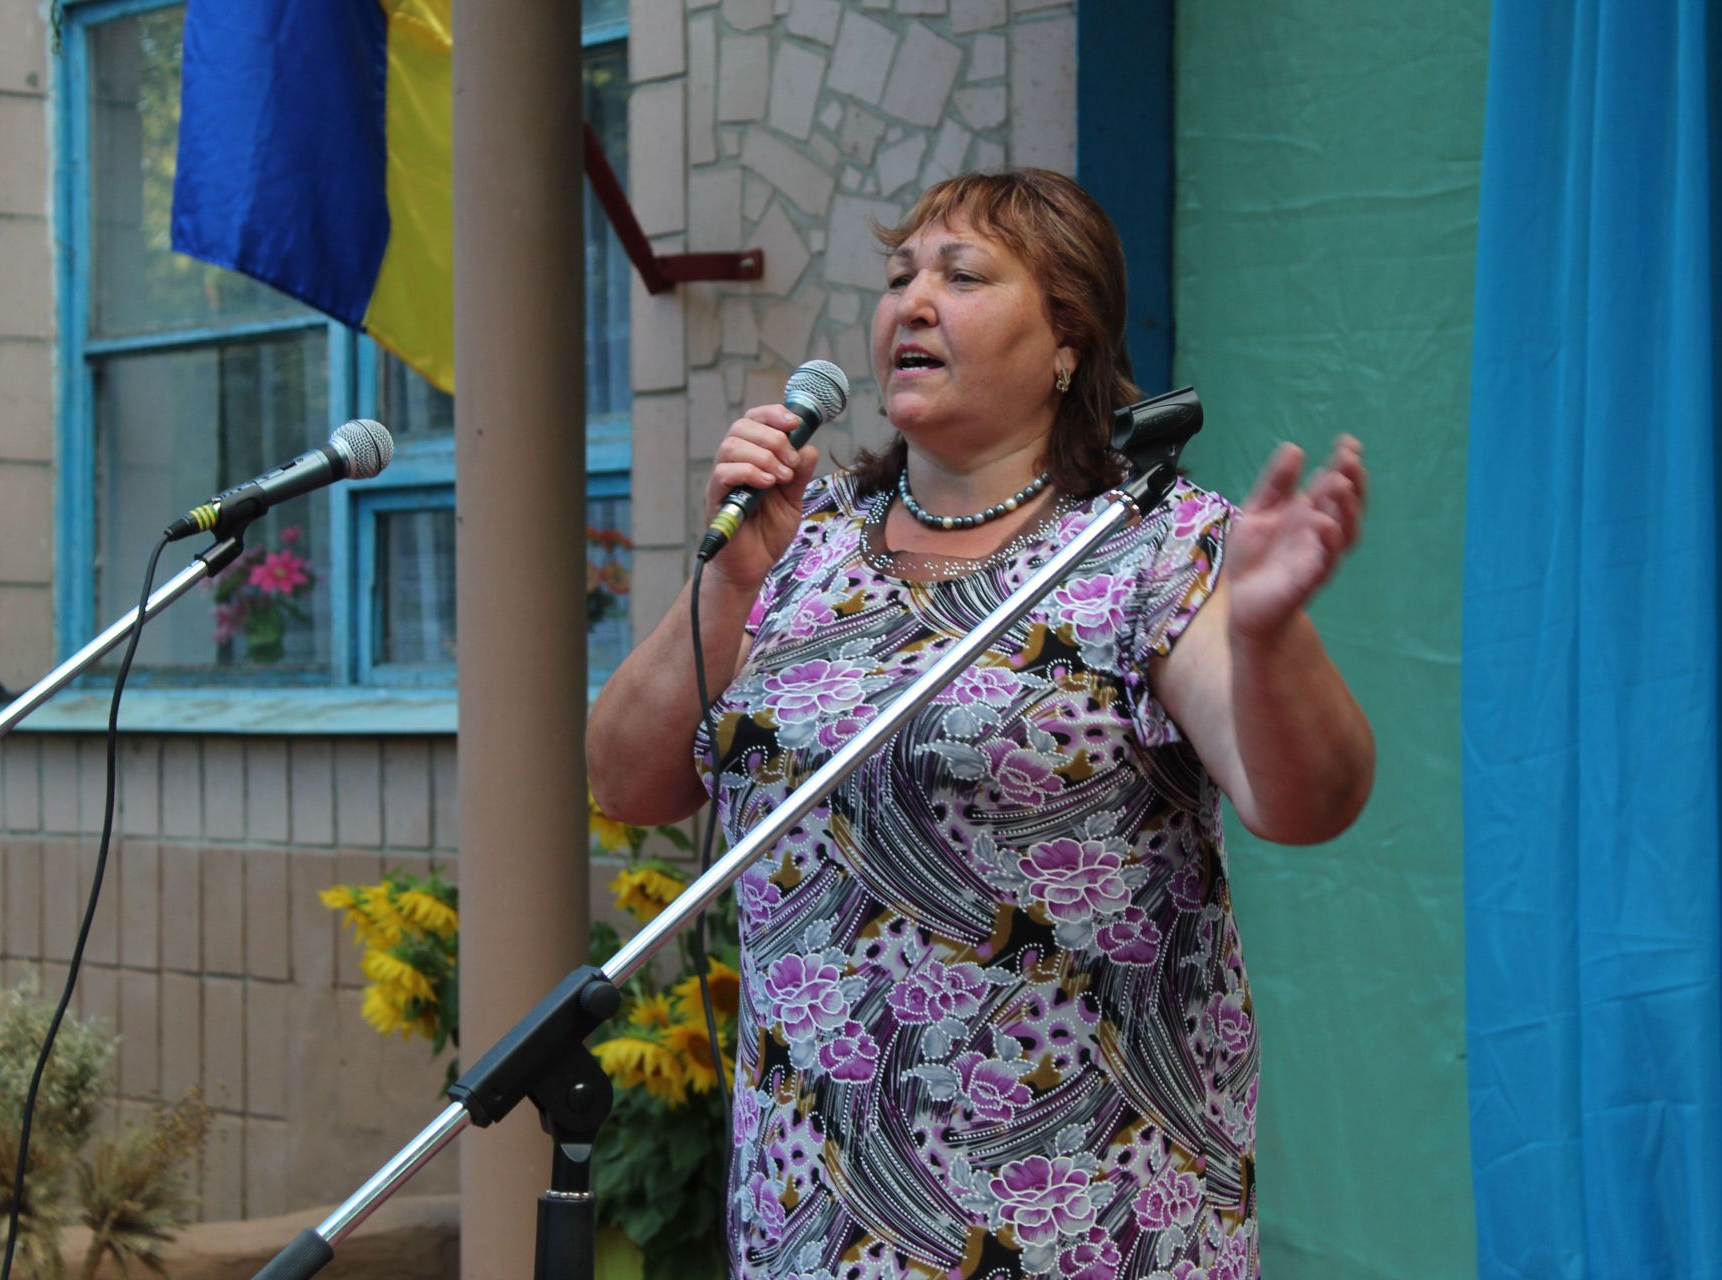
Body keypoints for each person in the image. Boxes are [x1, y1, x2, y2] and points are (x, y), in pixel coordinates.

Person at [586, 168, 1372, 1280]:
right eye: (898, 276)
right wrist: (729, 582)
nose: (912, 302)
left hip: (1084, 1218)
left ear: (1067, 343)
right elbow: (627, 782)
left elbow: (1306, 801)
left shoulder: (1150, 544)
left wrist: (1269, 633)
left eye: (961, 277)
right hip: (816, 1216)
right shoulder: (807, 541)